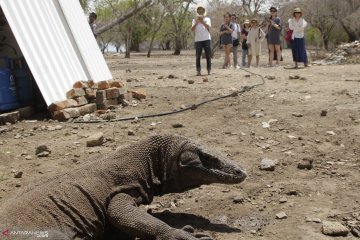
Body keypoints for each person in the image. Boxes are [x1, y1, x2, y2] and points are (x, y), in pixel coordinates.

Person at [191, 5, 212, 76]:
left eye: (201, 10)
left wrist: (202, 21)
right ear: (197, 11)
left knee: (208, 55)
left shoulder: (207, 19)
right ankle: (198, 71)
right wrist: (197, 22)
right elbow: (192, 29)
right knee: (198, 56)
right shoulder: (194, 20)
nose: (200, 11)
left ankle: (209, 70)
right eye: (198, 10)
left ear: (203, 11)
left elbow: (208, 26)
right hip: (198, 40)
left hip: (206, 39)